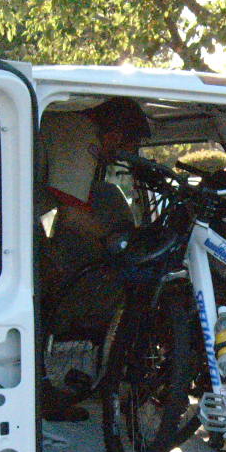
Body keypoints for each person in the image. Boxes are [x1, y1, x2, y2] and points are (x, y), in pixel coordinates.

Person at [38, 97, 149, 421]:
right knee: (37, 297)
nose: (117, 158)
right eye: (126, 149)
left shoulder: (64, 126)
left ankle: (41, 389)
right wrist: (117, 243)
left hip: (10, 216)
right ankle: (41, 395)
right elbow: (72, 215)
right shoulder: (81, 137)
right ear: (114, 136)